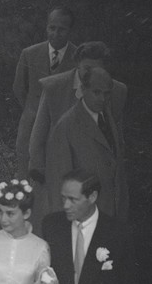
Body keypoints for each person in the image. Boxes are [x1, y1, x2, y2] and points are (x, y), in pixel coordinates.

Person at [27, 42, 127, 227]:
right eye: (87, 68)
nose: (91, 74)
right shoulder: (54, 88)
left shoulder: (116, 92)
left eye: (98, 68)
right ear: (77, 65)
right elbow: (38, 137)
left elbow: (114, 139)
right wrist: (41, 174)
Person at [45, 64, 129, 221]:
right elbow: (59, 183)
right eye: (96, 92)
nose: (103, 99)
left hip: (112, 217)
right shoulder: (66, 126)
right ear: (83, 89)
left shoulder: (108, 118)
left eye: (107, 94)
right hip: (84, 221)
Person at [12, 7, 78, 175]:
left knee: (54, 171)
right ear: (46, 27)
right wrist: (31, 108)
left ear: (70, 31)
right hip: (31, 122)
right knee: (25, 168)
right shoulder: (29, 54)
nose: (56, 33)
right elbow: (19, 88)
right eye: (52, 28)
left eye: (62, 29)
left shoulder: (78, 59)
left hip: (61, 127)